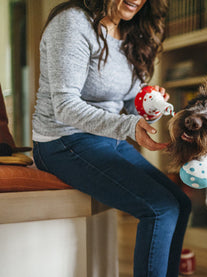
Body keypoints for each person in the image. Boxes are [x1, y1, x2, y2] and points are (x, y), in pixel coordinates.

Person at [31, 0, 192, 276]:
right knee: (160, 209)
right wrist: (128, 126)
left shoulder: (129, 32)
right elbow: (65, 106)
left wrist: (151, 106)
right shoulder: (73, 22)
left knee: (181, 203)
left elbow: (131, 106)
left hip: (107, 139)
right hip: (62, 141)